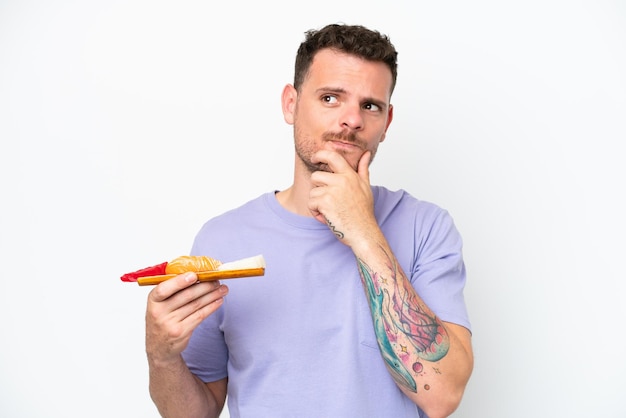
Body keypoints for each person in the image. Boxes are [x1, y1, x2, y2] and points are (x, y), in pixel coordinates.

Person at [145, 23, 473, 418]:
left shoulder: (427, 228)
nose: (352, 120)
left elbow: (442, 397)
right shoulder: (223, 240)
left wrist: (364, 231)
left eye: (370, 106)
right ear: (291, 103)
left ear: (387, 122)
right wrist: (161, 358)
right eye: (331, 98)